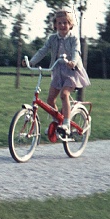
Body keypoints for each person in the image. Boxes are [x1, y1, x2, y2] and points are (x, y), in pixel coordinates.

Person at [28, 9, 91, 140]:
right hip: (57, 71)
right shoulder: (52, 38)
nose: (62, 26)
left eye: (65, 23)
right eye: (59, 23)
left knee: (64, 94)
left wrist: (73, 61)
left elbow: (76, 51)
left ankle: (67, 124)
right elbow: (43, 50)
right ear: (55, 25)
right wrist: (32, 62)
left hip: (72, 72)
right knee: (50, 99)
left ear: (70, 24)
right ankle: (57, 121)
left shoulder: (73, 38)